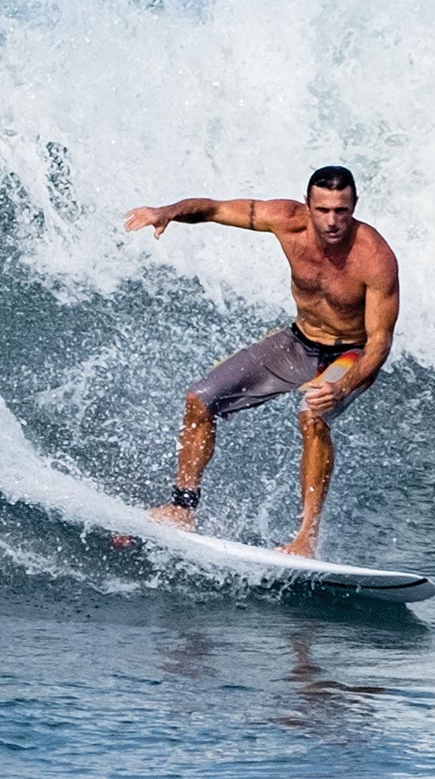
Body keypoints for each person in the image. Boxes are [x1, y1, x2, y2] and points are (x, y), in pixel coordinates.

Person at [123, 166, 400, 557]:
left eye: (341, 210)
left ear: (354, 205)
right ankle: (182, 508)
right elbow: (215, 209)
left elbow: (380, 343)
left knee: (312, 415)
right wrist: (168, 211)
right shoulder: (286, 221)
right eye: (322, 209)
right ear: (307, 205)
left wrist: (341, 387)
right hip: (298, 341)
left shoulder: (374, 257)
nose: (332, 220)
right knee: (200, 399)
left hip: (349, 353)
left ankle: (306, 538)